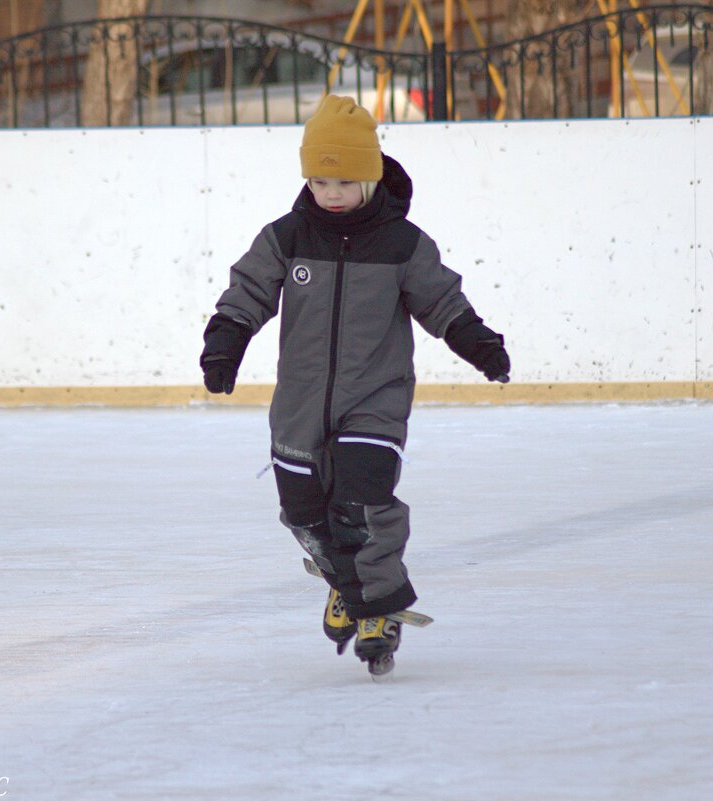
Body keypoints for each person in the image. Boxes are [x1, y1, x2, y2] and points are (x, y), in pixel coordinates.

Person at [201, 95, 510, 677]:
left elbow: (442, 300)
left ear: (369, 175)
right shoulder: (286, 237)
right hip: (298, 409)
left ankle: (379, 611)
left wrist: (478, 342)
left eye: (343, 180)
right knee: (303, 514)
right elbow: (247, 291)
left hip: (375, 401)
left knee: (362, 505)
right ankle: (346, 582)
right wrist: (225, 342)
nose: (330, 193)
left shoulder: (402, 245)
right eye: (318, 181)